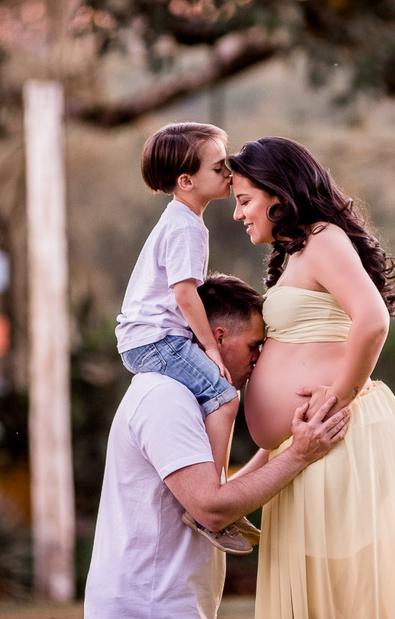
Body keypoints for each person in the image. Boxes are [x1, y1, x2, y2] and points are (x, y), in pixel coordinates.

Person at [228, 136, 395, 619]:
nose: (238, 214)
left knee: (352, 592)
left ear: (278, 193)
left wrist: (340, 394)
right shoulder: (295, 253)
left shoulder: (321, 238)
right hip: (310, 445)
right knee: (328, 592)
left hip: (339, 437)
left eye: (244, 200)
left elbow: (373, 320)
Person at [84, 274, 351, 619]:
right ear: (219, 338)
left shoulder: (195, 401)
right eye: (254, 345)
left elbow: (219, 493)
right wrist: (299, 455)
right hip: (145, 608)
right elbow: (210, 511)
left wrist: (287, 442)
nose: (259, 359)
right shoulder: (166, 398)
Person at [115, 121, 251, 553]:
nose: (229, 173)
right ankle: (211, 502)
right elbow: (185, 292)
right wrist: (210, 347)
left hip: (147, 338)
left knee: (212, 397)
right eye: (220, 168)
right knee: (225, 396)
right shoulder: (186, 227)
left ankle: (212, 492)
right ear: (186, 180)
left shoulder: (182, 220)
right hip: (154, 340)